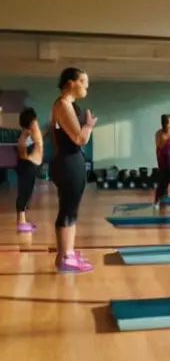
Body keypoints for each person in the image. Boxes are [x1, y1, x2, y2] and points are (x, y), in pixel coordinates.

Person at [50, 67, 96, 273]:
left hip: (71, 161)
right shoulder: (62, 104)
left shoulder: (69, 105)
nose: (86, 86)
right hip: (68, 162)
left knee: (72, 210)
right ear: (71, 83)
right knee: (68, 210)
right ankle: (65, 257)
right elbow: (79, 138)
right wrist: (88, 126)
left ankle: (67, 252)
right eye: (83, 82)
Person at [15, 107, 43, 233]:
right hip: (27, 166)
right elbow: (21, 149)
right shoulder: (26, 134)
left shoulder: (33, 131)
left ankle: (23, 220)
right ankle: (21, 221)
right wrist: (26, 158)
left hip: (31, 166)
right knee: (24, 193)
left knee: (28, 193)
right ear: (31, 121)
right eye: (35, 120)